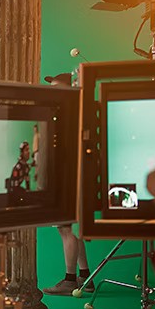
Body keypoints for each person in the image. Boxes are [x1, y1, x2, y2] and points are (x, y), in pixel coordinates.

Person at [41, 72, 93, 296]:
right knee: (73, 228)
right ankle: (85, 276)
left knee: (66, 228)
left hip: (69, 177)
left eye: (55, 88)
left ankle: (70, 279)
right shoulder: (70, 115)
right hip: (73, 176)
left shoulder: (68, 117)